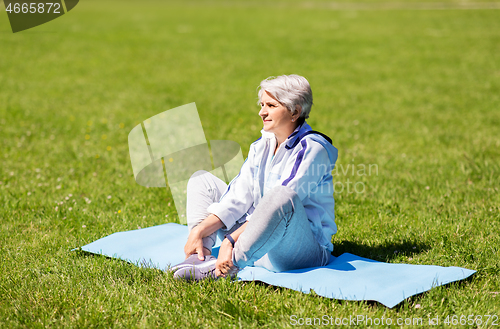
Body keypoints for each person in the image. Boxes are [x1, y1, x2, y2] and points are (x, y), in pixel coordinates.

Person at [170, 74, 338, 280]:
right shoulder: (263, 143)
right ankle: (200, 255)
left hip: (296, 251)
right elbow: (239, 194)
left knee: (282, 195)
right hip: (254, 240)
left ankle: (226, 267)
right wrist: (200, 229)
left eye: (271, 105)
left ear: (295, 111)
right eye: (261, 104)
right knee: (201, 180)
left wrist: (229, 241)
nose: (262, 112)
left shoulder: (313, 148)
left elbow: (282, 204)